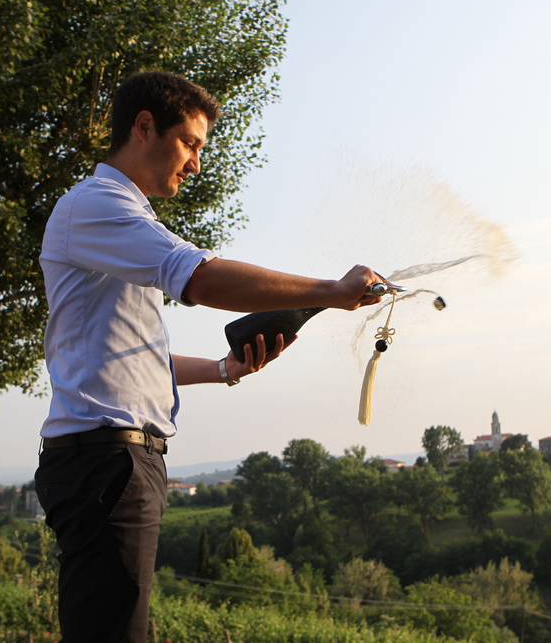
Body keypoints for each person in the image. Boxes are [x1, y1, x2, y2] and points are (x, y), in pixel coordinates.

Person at [34, 71, 382, 643]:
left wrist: (226, 371)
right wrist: (331, 291)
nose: (196, 163)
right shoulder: (95, 207)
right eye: (191, 144)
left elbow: (136, 359)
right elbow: (199, 276)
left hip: (116, 460)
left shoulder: (121, 221)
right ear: (144, 127)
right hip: (106, 463)